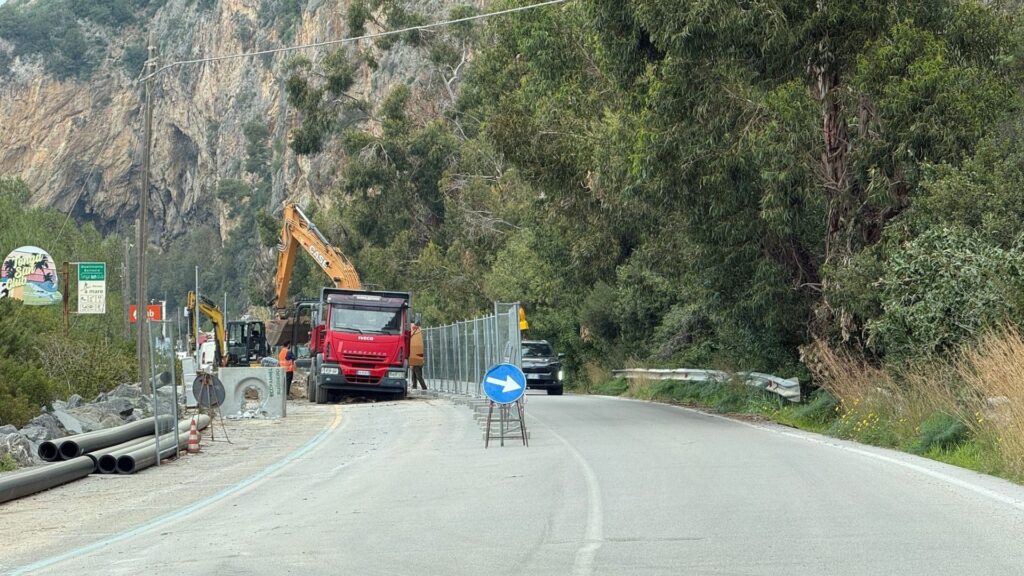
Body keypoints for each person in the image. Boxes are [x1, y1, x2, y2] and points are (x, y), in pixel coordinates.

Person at [409, 323, 427, 390]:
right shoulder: (418, 335)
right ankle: (414, 386)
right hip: (416, 359)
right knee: (414, 375)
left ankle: (423, 387)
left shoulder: (414, 336)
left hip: (416, 360)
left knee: (418, 375)